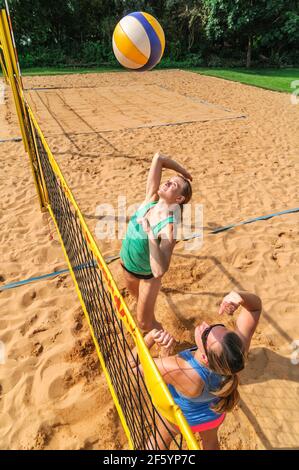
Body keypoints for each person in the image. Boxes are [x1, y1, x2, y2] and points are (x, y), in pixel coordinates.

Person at [131, 290, 262, 450]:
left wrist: (148, 339)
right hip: (213, 415)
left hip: (180, 419)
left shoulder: (180, 368)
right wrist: (240, 297)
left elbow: (130, 369)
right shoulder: (235, 354)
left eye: (206, 334)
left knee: (159, 440)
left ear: (206, 358)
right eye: (215, 326)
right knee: (211, 443)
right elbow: (254, 308)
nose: (205, 325)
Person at [120, 152, 192, 332]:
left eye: (173, 185)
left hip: (147, 277)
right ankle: (148, 313)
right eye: (168, 180)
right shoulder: (150, 199)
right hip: (127, 266)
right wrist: (183, 174)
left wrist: (150, 233)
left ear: (179, 199)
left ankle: (165, 344)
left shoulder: (169, 227)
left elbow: (159, 270)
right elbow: (158, 158)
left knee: (145, 325)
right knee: (137, 301)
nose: (167, 182)